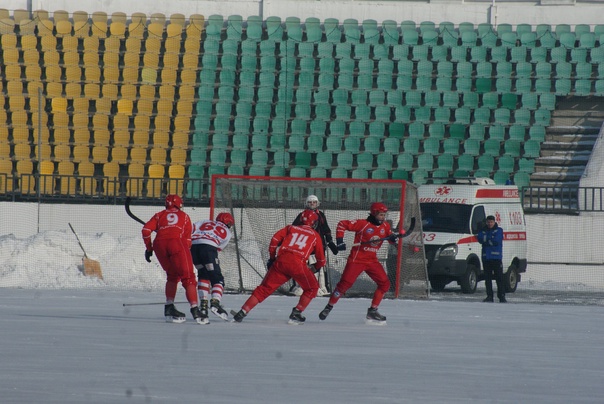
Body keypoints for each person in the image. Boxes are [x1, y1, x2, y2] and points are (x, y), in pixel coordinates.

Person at [232, 210, 326, 325]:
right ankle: (297, 312)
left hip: (281, 261)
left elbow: (274, 240)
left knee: (264, 289)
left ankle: (242, 312)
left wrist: (272, 258)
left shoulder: (291, 228)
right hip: (298, 264)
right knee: (312, 288)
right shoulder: (315, 236)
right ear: (314, 223)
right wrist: (314, 267)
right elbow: (321, 260)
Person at [318, 202, 402, 325]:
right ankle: (329, 307)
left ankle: (373, 310)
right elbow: (342, 224)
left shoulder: (385, 226)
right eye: (380, 215)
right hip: (357, 260)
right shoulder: (362, 224)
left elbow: (389, 238)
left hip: (372, 261)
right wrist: (340, 241)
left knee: (385, 284)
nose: (383, 217)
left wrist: (393, 239)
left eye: (384, 215)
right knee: (344, 285)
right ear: (374, 214)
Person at [142, 194, 203, 324]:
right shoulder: (185, 216)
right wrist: (182, 255)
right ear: (179, 204)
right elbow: (187, 241)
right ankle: (195, 309)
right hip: (177, 243)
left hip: (159, 245)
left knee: (172, 276)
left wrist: (149, 248)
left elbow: (146, 230)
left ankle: (169, 306)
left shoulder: (159, 215)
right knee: (188, 278)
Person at [191, 212, 235, 324]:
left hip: (194, 248)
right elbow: (218, 248)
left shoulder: (205, 221)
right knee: (217, 279)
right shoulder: (227, 232)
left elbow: (190, 229)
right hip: (209, 249)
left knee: (203, 275)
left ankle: (203, 306)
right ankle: (215, 303)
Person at [290, 195, 338, 296]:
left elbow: (326, 230)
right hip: (303, 247)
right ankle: (300, 287)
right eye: (310, 202)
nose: (312, 204)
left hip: (318, 247)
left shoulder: (321, 215)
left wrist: (330, 242)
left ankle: (321, 287)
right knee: (300, 267)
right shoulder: (301, 215)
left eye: (314, 202)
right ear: (306, 204)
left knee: (319, 267)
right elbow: (293, 229)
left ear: (317, 203)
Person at [477, 215, 506, 303]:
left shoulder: (499, 230)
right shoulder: (483, 230)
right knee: (488, 279)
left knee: (499, 278)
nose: (490, 224)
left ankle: (501, 296)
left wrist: (487, 240)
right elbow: (480, 239)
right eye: (488, 222)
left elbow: (496, 240)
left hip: (496, 258)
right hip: (486, 258)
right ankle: (489, 296)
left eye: (491, 222)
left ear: (494, 222)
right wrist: (490, 239)